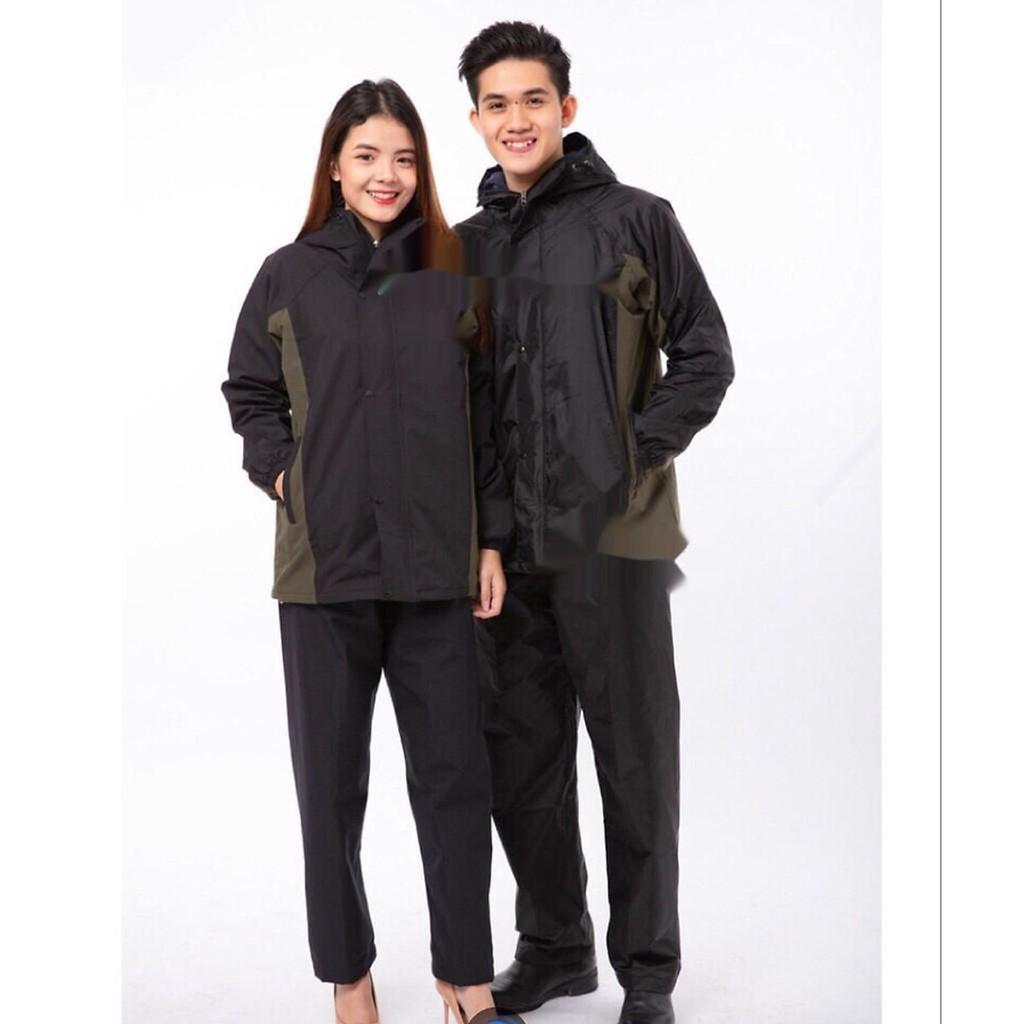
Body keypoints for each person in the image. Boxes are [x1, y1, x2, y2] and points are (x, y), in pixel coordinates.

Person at [454, 22, 736, 1024]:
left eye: (534, 99)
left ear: (566, 110)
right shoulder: (465, 247)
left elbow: (704, 353)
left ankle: (648, 975)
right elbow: (459, 399)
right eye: (496, 103)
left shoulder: (636, 220)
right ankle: (556, 947)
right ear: (476, 119)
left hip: (612, 542)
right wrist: (479, 531)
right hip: (504, 551)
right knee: (519, 762)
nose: (516, 118)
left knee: (634, 758)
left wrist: (631, 457)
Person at [220, 79, 512, 1024]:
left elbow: (485, 416)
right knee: (330, 790)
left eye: (404, 158)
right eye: (368, 156)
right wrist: (283, 474)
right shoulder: (287, 274)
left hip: (437, 568)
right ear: (335, 167)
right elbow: (249, 390)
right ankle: (349, 980)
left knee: (456, 781)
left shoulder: (450, 272)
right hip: (325, 571)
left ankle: (466, 979)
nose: (388, 175)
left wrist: (492, 539)